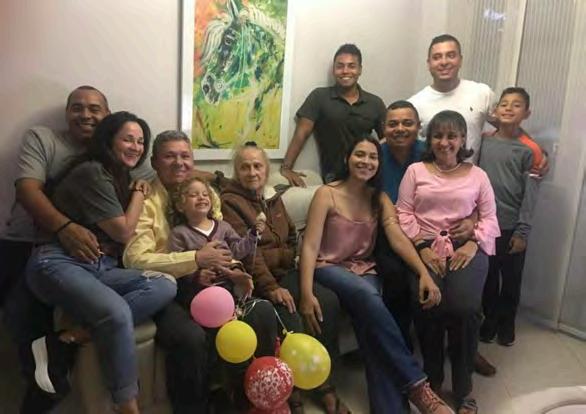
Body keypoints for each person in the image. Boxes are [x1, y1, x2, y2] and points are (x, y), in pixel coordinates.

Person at [25, 111, 176, 414]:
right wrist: (138, 193)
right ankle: (128, 406)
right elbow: (123, 231)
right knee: (116, 312)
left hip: (100, 266)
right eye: (128, 139)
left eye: (140, 142)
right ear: (108, 140)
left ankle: (72, 337)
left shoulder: (120, 176)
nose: (136, 147)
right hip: (58, 262)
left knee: (165, 284)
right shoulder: (92, 172)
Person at [123, 131, 277, 413]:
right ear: (154, 162)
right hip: (168, 288)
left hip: (216, 284)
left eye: (185, 156)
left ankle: (251, 397)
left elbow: (224, 244)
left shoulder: (206, 193)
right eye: (169, 156)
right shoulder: (144, 199)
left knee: (262, 313)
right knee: (191, 337)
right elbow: (135, 259)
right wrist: (195, 259)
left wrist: (235, 269)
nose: (179, 163)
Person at [299, 136, 453, 414]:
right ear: (347, 158)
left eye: (372, 157)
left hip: (363, 267)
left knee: (371, 329)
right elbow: (309, 246)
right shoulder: (326, 194)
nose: (366, 161)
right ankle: (418, 386)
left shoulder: (379, 198)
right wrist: (306, 293)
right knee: (368, 296)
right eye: (360, 155)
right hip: (328, 266)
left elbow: (398, 239)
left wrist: (423, 273)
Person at [1, 86, 113, 413]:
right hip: (23, 242)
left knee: (32, 313)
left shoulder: (113, 151)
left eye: (94, 108)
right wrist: (65, 228)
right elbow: (27, 190)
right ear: (66, 114)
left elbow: (164, 167)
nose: (85, 114)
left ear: (107, 115)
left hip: (72, 255)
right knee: (21, 312)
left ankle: (45, 384)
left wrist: (222, 176)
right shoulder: (44, 139)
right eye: (77, 107)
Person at [221, 142, 347, 414]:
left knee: (328, 302)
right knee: (289, 314)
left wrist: (288, 260)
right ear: (236, 171)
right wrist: (271, 287)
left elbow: (291, 236)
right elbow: (248, 252)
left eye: (257, 166)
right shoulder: (230, 202)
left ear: (266, 170)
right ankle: (292, 392)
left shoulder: (274, 198)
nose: (252, 172)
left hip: (285, 271)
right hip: (259, 281)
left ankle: (326, 384)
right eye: (245, 167)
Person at [396, 110, 500, 414]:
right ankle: (433, 380)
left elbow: (490, 217)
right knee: (429, 303)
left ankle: (464, 388)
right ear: (429, 140)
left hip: (468, 247)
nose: (444, 142)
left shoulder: (478, 175)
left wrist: (472, 242)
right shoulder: (416, 171)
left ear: (463, 139)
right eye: (438, 136)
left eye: (452, 136)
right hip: (424, 247)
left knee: (465, 309)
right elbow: (403, 212)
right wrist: (422, 247)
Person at [477, 87, 542, 347]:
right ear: (495, 110)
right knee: (488, 278)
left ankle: (507, 323)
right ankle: (490, 320)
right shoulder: (484, 141)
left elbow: (531, 194)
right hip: (485, 225)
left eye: (516, 105)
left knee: (511, 280)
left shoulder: (531, 149)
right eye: (503, 104)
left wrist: (522, 231)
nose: (508, 108)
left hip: (511, 226)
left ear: (527, 113)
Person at [280, 43, 386, 186]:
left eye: (351, 66)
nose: (345, 71)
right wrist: (286, 168)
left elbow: (387, 141)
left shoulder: (375, 103)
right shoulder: (319, 97)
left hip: (367, 178)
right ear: (333, 70)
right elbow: (301, 134)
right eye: (340, 66)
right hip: (334, 179)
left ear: (360, 70)